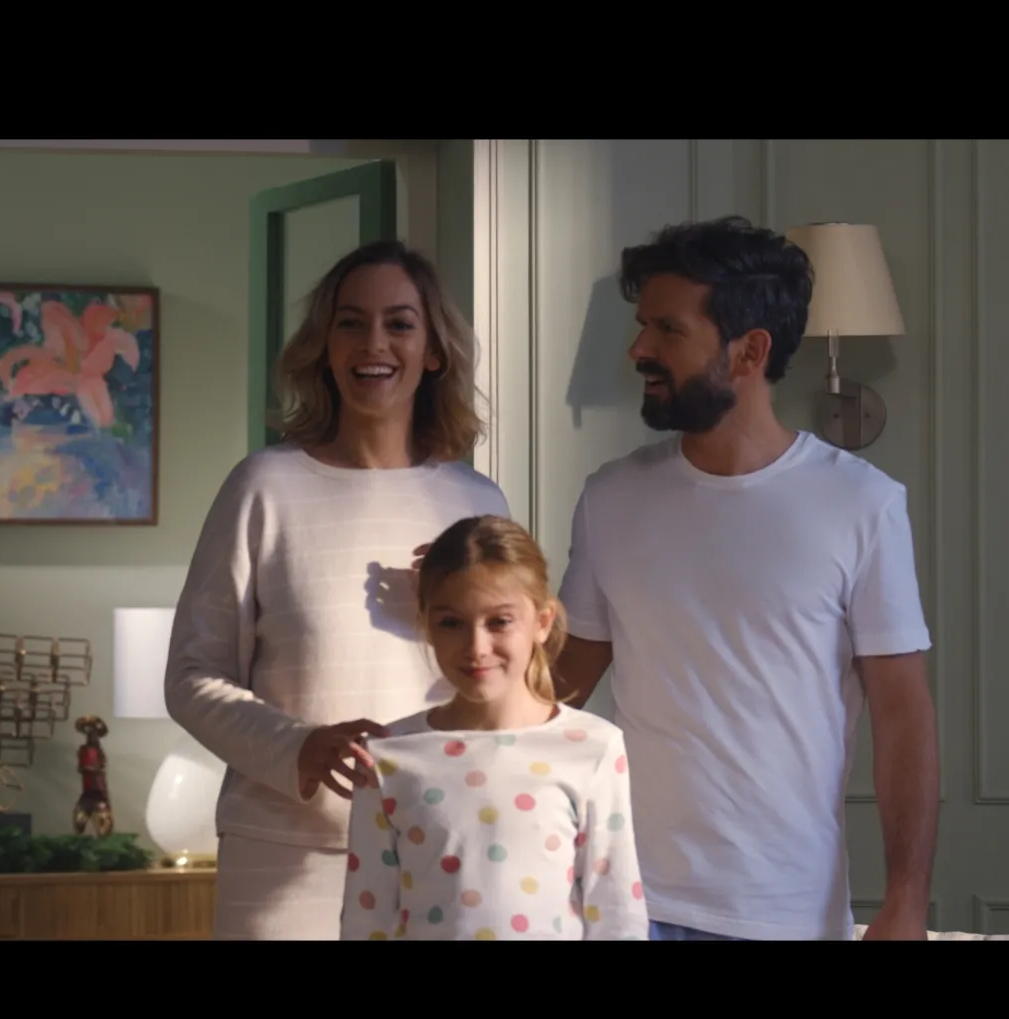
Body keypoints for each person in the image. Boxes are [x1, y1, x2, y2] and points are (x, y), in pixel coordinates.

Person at [548, 215, 939, 942]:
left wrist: (907, 903)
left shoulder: (862, 502)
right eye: (642, 327)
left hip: (787, 910)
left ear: (749, 350)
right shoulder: (611, 499)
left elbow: (903, 717)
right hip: (625, 904)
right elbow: (555, 690)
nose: (639, 349)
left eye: (667, 330)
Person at [164, 240, 510, 940]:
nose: (373, 343)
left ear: (433, 351)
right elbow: (192, 676)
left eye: (399, 324)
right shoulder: (262, 488)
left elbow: (514, 684)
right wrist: (301, 746)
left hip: (442, 847)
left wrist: (453, 616)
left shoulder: (475, 503)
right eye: (351, 323)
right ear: (325, 346)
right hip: (282, 858)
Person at [341, 515, 647, 941]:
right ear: (426, 624)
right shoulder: (387, 756)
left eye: (499, 622)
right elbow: (365, 918)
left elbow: (616, 915)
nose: (476, 648)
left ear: (542, 622)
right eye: (452, 623)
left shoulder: (594, 747)